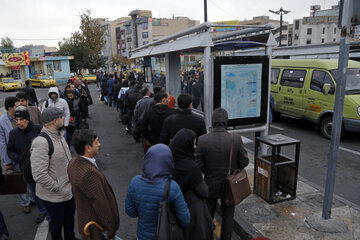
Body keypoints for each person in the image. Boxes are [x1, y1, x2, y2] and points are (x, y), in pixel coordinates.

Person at [195, 108, 249, 240]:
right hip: (230, 186)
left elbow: (197, 164)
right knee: (228, 217)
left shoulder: (202, 140)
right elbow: (244, 161)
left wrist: (207, 172)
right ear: (226, 122)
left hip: (210, 184)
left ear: (213, 122)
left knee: (208, 216)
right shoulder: (236, 139)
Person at [125, 144, 190, 240]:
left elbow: (130, 212)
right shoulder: (173, 187)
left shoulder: (135, 182)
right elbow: (185, 220)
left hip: (143, 236)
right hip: (167, 235)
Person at [30, 107, 76, 240]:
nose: (64, 119)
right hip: (55, 197)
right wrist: (57, 187)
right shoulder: (41, 142)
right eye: (61, 117)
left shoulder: (59, 135)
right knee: (56, 225)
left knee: (69, 222)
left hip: (68, 192)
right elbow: (39, 174)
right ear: (55, 121)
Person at [68, 129, 119, 240]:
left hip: (85, 222)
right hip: (95, 228)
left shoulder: (72, 163)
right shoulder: (89, 173)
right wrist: (110, 230)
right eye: (96, 142)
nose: (99, 144)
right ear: (87, 147)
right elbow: (100, 204)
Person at [170, 128, 215, 240]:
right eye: (194, 143)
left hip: (173, 210)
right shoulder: (191, 168)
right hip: (192, 211)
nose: (195, 146)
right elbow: (204, 191)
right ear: (187, 145)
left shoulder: (170, 160)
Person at [7, 106, 48, 223]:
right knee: (35, 194)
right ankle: (42, 211)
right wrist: (19, 158)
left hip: (43, 169)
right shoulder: (13, 134)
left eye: (21, 119)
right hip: (27, 171)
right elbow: (10, 150)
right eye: (16, 120)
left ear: (28, 119)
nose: (19, 122)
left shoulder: (39, 130)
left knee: (48, 193)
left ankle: (50, 213)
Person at [0, 97, 31, 213]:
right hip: (14, 156)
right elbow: (2, 144)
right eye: (17, 106)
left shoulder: (24, 115)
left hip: (27, 154)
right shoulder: (2, 122)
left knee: (31, 178)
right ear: (10, 108)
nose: (20, 107)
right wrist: (7, 162)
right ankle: (25, 202)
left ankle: (32, 198)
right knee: (19, 179)